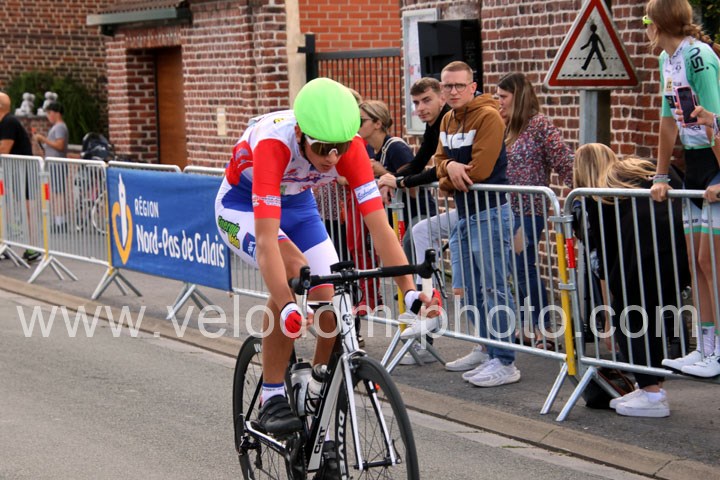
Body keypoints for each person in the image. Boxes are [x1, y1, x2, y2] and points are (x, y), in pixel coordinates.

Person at [214, 78, 439, 436]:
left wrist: (409, 292)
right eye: (322, 148)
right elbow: (268, 241)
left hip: (299, 206)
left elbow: (380, 228)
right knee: (295, 269)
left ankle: (315, 386)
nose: (332, 158)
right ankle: (271, 395)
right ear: (300, 134)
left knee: (332, 293)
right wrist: (288, 306)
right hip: (241, 207)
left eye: (339, 148)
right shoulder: (275, 144)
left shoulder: (351, 147)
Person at [574, 143, 690, 417]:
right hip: (680, 248)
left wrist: (608, 316)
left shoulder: (597, 195)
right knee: (657, 313)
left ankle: (651, 393)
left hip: (640, 257)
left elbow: (601, 257)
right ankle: (651, 385)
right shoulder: (642, 167)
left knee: (629, 316)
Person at [645, 0, 720, 377]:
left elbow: (714, 118)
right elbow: (667, 121)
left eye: (646, 19)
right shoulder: (667, 60)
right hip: (694, 164)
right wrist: (660, 175)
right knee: (695, 262)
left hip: (716, 160)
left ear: (658, 24)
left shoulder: (698, 57)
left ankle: (718, 350)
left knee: (712, 262)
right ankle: (704, 347)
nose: (645, 26)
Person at [434, 61, 520, 387]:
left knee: (494, 288)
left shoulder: (488, 116)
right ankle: (485, 348)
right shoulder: (447, 119)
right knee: (468, 288)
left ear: (473, 87)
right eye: (447, 86)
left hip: (490, 213)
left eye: (460, 85)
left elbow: (480, 172)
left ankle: (506, 361)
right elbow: (438, 163)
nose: (453, 91)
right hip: (464, 214)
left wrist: (449, 175)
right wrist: (451, 169)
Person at [495, 72, 574, 349]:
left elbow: (562, 158)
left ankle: (545, 329)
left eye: (503, 97)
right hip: (507, 210)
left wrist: (581, 190)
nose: (499, 102)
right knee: (513, 268)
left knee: (522, 266)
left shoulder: (539, 124)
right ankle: (528, 326)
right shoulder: (505, 126)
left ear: (518, 96)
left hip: (528, 211)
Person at [376, 77, 452, 364]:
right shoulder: (435, 125)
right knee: (415, 246)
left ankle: (491, 351)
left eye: (426, 100)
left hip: (478, 207)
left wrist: (398, 180)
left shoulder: (451, 119)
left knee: (473, 282)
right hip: (462, 208)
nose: (420, 108)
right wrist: (393, 179)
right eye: (416, 103)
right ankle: (424, 330)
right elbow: (420, 162)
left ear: (442, 96)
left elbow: (436, 170)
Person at [0, 92, 41, 262]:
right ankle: (7, 242)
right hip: (14, 173)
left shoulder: (8, 122)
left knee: (27, 210)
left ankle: (32, 248)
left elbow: (4, 149)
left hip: (23, 173)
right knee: (8, 208)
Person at [34, 101, 69, 231]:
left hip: (57, 164)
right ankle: (58, 220)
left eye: (49, 113)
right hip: (54, 163)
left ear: (56, 113)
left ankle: (60, 221)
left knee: (58, 193)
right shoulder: (57, 127)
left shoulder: (59, 127)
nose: (48, 116)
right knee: (56, 192)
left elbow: (60, 145)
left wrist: (43, 139)